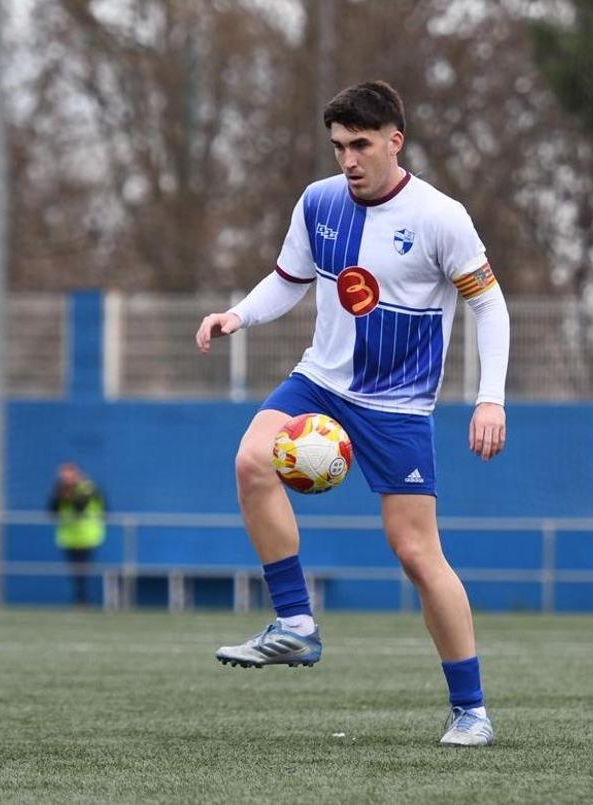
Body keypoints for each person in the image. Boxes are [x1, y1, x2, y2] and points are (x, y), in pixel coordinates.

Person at [195, 81, 509, 746]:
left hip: (398, 406)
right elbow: (288, 280)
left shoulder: (440, 217)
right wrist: (237, 315)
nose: (349, 159)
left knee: (418, 553)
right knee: (251, 459)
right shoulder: (318, 203)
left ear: (396, 139)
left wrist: (490, 396)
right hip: (322, 382)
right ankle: (296, 625)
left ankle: (471, 709)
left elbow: (490, 305)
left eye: (361, 144)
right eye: (339, 146)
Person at [46, 461, 107, 606]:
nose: (66, 479)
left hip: (88, 537)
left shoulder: (87, 487)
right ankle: (80, 599)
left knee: (83, 570)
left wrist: (70, 494)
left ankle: (82, 600)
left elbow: (80, 507)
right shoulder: (58, 488)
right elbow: (51, 510)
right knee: (74, 572)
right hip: (69, 537)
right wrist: (59, 493)